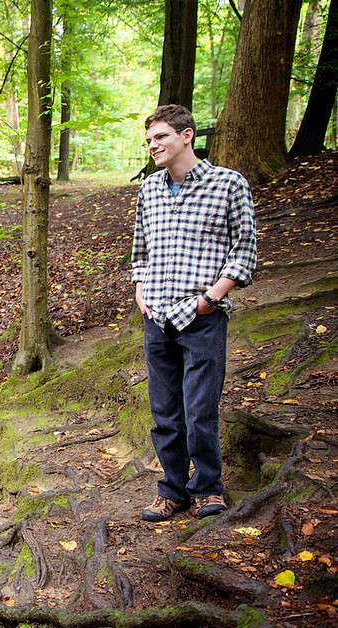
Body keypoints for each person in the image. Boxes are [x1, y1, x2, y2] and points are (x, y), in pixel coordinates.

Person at [131, 104, 257, 521]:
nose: (153, 145)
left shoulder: (228, 184)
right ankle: (172, 490)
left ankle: (207, 489)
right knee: (165, 413)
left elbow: (244, 251)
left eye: (161, 137)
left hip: (202, 318)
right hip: (157, 317)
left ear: (186, 136)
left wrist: (211, 298)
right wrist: (139, 290)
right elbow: (140, 250)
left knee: (200, 409)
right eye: (149, 140)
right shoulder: (148, 190)